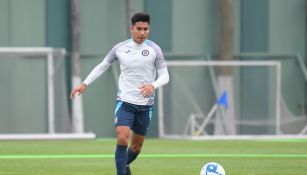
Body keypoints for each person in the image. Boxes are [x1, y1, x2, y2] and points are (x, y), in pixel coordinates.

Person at [70, 12, 169, 175]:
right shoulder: (120, 48)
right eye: (139, 29)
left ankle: (124, 164)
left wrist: (153, 85)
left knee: (136, 147)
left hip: (145, 106)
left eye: (146, 29)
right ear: (132, 29)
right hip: (125, 103)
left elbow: (165, 76)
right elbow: (102, 65)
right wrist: (84, 83)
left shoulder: (154, 49)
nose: (142, 32)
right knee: (122, 137)